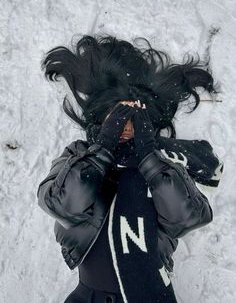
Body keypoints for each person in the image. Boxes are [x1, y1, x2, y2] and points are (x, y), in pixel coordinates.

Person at [37, 34, 224, 303]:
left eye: (134, 117)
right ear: (103, 116)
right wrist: (102, 150)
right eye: (118, 116)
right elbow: (61, 204)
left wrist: (149, 155)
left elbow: (189, 217)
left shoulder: (163, 166)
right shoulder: (77, 155)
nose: (125, 126)